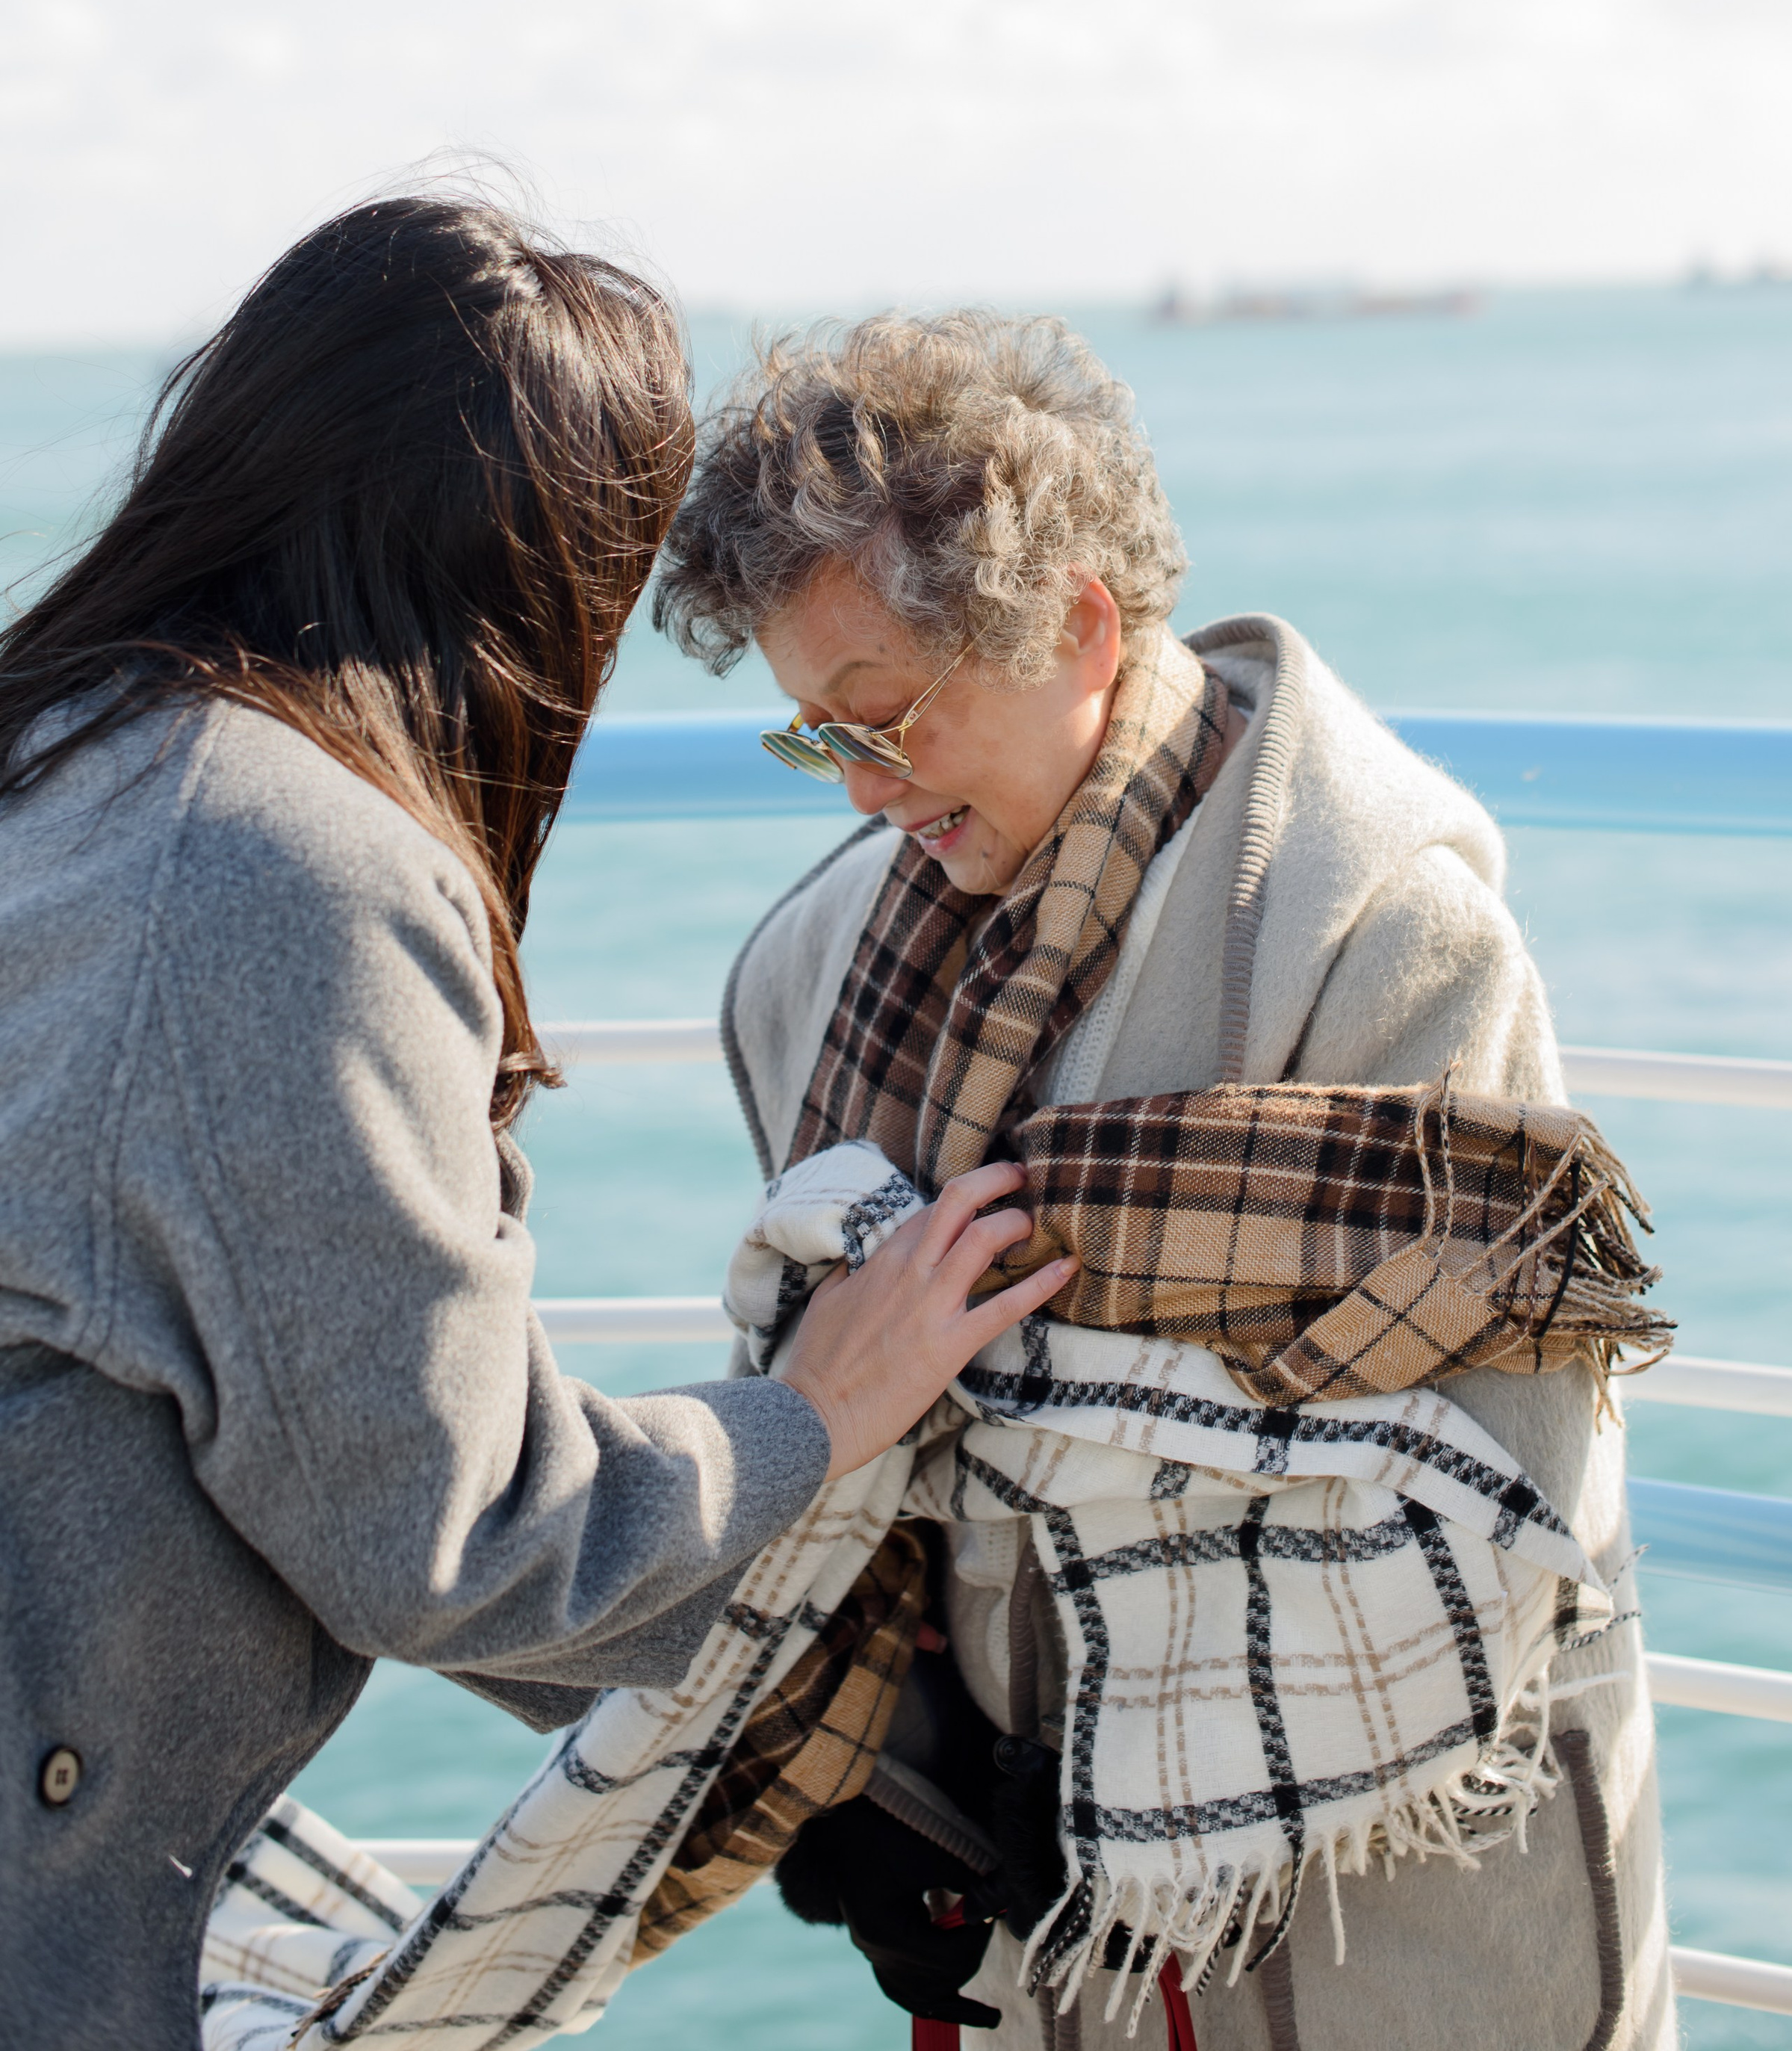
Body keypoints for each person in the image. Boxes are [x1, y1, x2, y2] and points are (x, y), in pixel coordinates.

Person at [0, 202, 1067, 2049]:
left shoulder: (67, 746)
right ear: (528, 574)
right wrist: (817, 1409)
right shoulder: (280, 866)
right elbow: (448, 1528)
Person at [654, 308, 1675, 2051]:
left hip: (1388, 1899)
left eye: (885, 719)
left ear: (1073, 623)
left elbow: (1508, 1482)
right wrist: (881, 1799)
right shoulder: (802, 977)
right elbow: (850, 1470)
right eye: (811, 736)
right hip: (1017, 1923)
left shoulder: (1379, 938)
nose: (857, 787)